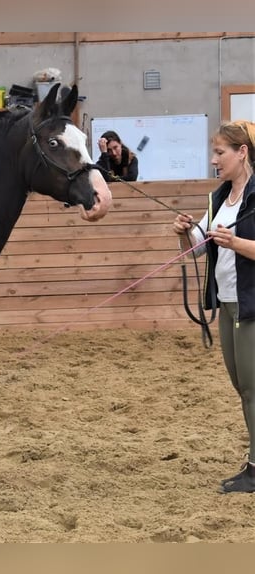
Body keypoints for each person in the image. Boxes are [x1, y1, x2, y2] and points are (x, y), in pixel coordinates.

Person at [172, 120, 255, 493]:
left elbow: (233, 245)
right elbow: (200, 247)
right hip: (227, 303)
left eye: (220, 153)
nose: (213, 160)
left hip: (251, 305)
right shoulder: (219, 198)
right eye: (214, 152)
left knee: (252, 388)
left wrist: (235, 243)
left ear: (242, 153)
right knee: (243, 386)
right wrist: (185, 233)